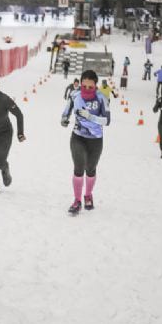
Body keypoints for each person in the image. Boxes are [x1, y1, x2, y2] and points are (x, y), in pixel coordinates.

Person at [61, 69, 111, 215]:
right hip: (78, 137)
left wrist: (90, 117)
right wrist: (64, 119)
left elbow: (107, 120)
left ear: (96, 86)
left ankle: (88, 195)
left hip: (95, 139)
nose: (87, 89)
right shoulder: (74, 94)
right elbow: (66, 110)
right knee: (79, 166)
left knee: (90, 169)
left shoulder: (102, 98)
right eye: (84, 86)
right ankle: (77, 201)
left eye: (91, 87)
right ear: (80, 84)